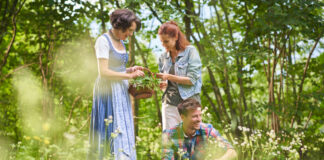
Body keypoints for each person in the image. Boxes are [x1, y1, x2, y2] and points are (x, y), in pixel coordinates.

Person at [88, 9, 144, 160]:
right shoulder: (103, 41)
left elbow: (117, 68)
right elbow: (104, 72)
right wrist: (129, 75)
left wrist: (130, 69)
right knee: (110, 127)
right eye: (130, 30)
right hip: (107, 90)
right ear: (120, 26)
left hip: (121, 89)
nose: (131, 34)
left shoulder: (121, 42)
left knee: (123, 127)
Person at [156, 21, 202, 130]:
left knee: (192, 139)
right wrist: (163, 86)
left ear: (176, 37)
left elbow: (192, 80)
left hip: (190, 103)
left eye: (166, 41)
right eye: (161, 42)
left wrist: (168, 77)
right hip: (169, 102)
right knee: (171, 140)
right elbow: (166, 84)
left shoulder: (190, 51)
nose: (163, 45)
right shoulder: (162, 57)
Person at [162, 98, 238, 160]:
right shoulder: (170, 134)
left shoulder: (207, 130)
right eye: (195, 116)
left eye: (200, 115)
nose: (199, 119)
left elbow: (232, 152)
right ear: (182, 117)